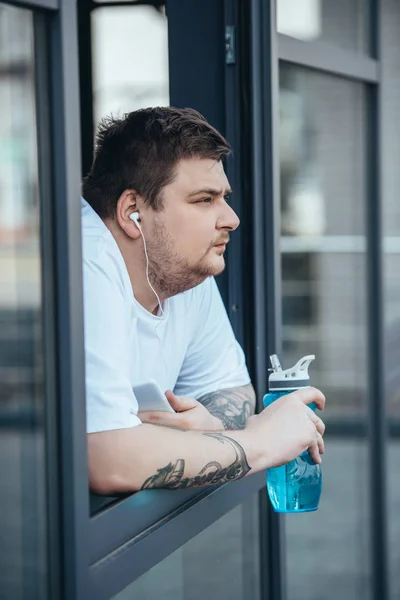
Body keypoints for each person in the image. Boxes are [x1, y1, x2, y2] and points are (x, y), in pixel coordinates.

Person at [82, 106, 325, 494]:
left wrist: (207, 425)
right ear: (133, 212)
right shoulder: (85, 258)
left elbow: (231, 389)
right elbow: (107, 459)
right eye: (204, 199)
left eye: (223, 198)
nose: (231, 218)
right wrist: (262, 442)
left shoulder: (176, 267)